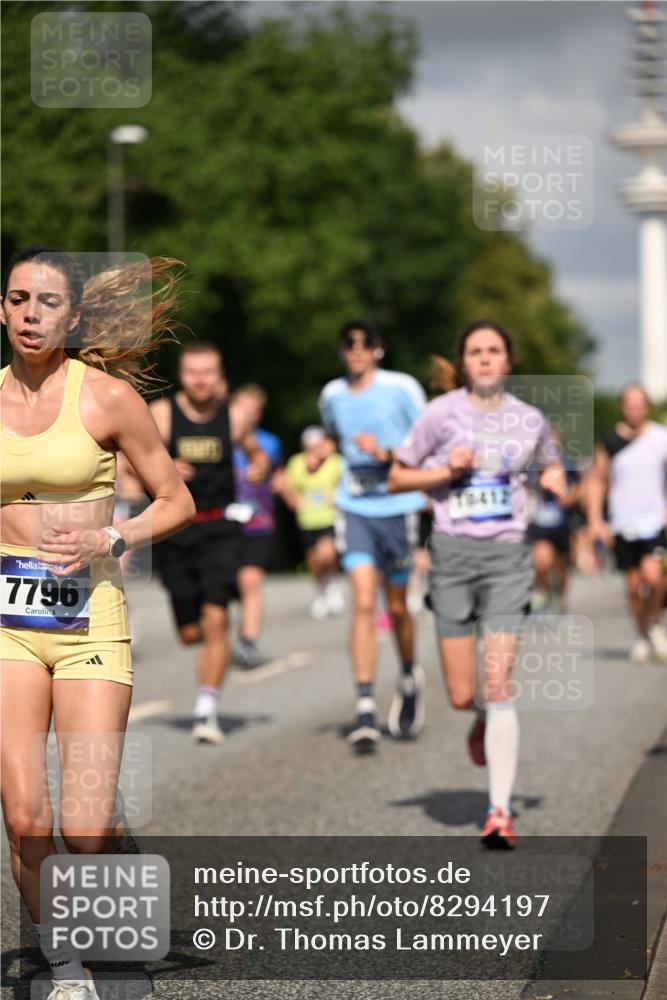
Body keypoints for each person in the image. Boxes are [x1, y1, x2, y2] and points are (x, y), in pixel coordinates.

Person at [0, 246, 195, 1000]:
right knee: (24, 816)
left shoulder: (107, 399)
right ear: (2, 309)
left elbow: (175, 500)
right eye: (18, 299)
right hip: (7, 622)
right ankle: (68, 965)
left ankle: (114, 844)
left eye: (47, 302)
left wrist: (111, 537)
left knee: (81, 829)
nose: (30, 315)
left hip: (88, 619)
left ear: (73, 316)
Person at [390, 320, 566, 848]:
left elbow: (550, 467)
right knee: (464, 693)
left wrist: (555, 480)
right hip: (452, 557)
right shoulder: (439, 415)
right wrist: (444, 471)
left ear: (507, 360)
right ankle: (481, 720)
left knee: (497, 682)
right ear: (463, 362)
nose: (485, 359)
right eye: (475, 351)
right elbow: (398, 476)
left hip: (508, 558)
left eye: (494, 350)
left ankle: (498, 812)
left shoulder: (529, 419)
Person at [149, 345, 269, 741]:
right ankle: (203, 643)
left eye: (208, 372)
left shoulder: (233, 416)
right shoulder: (163, 415)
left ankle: (206, 708)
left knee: (217, 619)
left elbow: (257, 454)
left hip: (220, 528)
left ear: (219, 376)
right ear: (182, 375)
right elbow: (131, 459)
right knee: (190, 633)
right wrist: (165, 468)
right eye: (192, 372)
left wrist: (258, 466)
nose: (200, 379)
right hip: (174, 531)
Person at [319, 319, 427, 751]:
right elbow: (332, 436)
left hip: (399, 510)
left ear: (379, 349)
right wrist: (320, 451)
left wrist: (388, 455)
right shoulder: (331, 394)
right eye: (349, 344)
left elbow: (429, 442)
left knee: (398, 608)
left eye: (366, 344)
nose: (357, 350)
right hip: (355, 507)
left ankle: (407, 673)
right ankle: (365, 705)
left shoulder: (402, 388)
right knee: (363, 600)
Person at [587, 383, 667, 663]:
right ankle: (642, 634)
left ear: (646, 406)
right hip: (622, 522)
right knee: (633, 586)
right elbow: (597, 481)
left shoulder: (661, 438)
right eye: (629, 403)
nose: (635, 408)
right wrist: (596, 520)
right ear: (623, 406)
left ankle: (654, 622)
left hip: (654, 520)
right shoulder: (609, 441)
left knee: (654, 578)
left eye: (639, 402)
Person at [230, 384, 283, 668]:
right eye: (243, 407)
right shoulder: (219, 439)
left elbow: (278, 475)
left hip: (258, 522)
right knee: (231, 585)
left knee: (250, 581)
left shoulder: (270, 443)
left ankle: (248, 641)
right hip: (222, 523)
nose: (248, 414)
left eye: (253, 409)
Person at [273, 425, 345, 618]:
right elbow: (285, 485)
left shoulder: (336, 462)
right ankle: (322, 593)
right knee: (314, 561)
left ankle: (334, 587)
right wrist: (292, 498)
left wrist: (338, 495)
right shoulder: (296, 463)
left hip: (330, 517)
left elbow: (347, 484)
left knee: (327, 554)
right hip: (306, 519)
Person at [526, 435, 583, 613]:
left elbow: (580, 487)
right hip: (539, 524)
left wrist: (569, 498)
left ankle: (560, 597)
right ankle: (542, 593)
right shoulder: (529, 464)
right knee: (542, 561)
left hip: (562, 524)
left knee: (562, 566)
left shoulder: (567, 463)